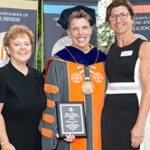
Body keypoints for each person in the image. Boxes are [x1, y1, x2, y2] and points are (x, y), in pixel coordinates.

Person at [41, 5, 107, 150]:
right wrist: (59, 131)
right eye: (75, 29)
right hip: (70, 140)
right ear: (68, 32)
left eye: (84, 27)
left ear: (91, 29)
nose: (80, 33)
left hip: (103, 137)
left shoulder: (104, 61)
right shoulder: (58, 63)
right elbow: (51, 103)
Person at [101, 0, 150, 150]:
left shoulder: (144, 47)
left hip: (133, 111)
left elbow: (148, 89)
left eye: (123, 15)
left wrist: (140, 125)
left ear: (132, 18)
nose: (118, 20)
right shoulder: (110, 48)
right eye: (113, 16)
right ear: (108, 22)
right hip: (110, 113)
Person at [0, 25, 46, 150]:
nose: (23, 48)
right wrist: (4, 143)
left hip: (36, 142)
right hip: (10, 145)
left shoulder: (38, 76)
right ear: (8, 49)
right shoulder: (2, 76)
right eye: (17, 44)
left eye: (26, 44)